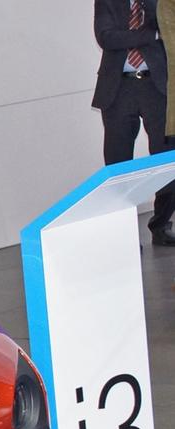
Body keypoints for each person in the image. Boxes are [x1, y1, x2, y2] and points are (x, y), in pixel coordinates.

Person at [94, 0, 175, 245]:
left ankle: (161, 225)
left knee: (167, 160)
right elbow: (106, 38)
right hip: (118, 88)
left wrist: (140, 34)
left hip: (157, 86)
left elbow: (168, 29)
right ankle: (124, 234)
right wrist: (150, 34)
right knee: (118, 164)